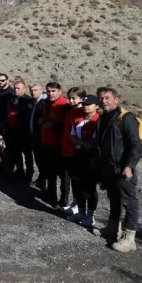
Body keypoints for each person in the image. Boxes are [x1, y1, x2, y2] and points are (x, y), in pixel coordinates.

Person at [96, 87, 142, 253]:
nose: (103, 101)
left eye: (107, 98)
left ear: (116, 100)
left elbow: (136, 145)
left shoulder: (126, 118)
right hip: (109, 168)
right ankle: (113, 227)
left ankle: (129, 238)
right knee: (114, 198)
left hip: (123, 168)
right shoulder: (104, 117)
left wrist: (129, 166)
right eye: (101, 98)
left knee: (129, 201)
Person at [68, 94, 100, 228]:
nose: (85, 107)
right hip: (78, 154)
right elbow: (72, 136)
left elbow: (94, 141)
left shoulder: (98, 120)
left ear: (96, 106)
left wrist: (84, 144)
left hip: (91, 157)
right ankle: (81, 211)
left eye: (88, 104)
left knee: (89, 187)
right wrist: (82, 143)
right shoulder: (78, 119)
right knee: (77, 184)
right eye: (84, 104)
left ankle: (90, 215)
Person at [40, 82, 70, 208]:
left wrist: (52, 126)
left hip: (59, 145)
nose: (50, 93)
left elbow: (67, 126)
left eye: (53, 91)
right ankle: (51, 195)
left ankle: (64, 199)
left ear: (59, 91)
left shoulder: (64, 105)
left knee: (63, 174)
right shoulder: (47, 104)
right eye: (48, 91)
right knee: (50, 171)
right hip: (47, 142)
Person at [60, 87, 87, 214]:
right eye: (69, 98)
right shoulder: (71, 112)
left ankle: (79, 206)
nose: (70, 101)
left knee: (78, 180)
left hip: (77, 150)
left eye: (74, 98)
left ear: (82, 98)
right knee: (72, 178)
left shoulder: (83, 113)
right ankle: (75, 202)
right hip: (67, 149)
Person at [5, 80, 34, 181]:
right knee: (16, 152)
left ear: (24, 89)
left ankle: (29, 173)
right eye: (15, 88)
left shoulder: (28, 100)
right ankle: (19, 170)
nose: (16, 90)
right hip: (12, 130)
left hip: (24, 132)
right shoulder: (11, 100)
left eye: (18, 88)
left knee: (27, 153)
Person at [29, 83, 48, 188]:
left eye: (35, 90)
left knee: (42, 160)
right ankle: (41, 180)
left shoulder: (44, 103)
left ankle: (43, 182)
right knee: (38, 159)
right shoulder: (33, 102)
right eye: (31, 90)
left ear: (41, 90)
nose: (33, 92)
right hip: (34, 135)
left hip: (42, 136)